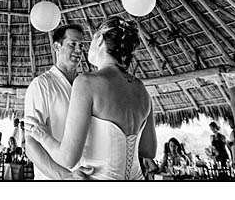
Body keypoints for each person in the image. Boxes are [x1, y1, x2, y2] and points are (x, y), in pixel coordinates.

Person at [27, 17, 158, 180]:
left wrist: (43, 136)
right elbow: (148, 150)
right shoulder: (141, 89)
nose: (81, 49)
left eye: (83, 44)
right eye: (73, 44)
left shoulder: (87, 82)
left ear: (100, 40)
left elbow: (67, 158)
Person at [24, 24, 94, 180]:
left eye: (81, 45)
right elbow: (30, 144)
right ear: (57, 46)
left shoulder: (86, 85)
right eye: (72, 44)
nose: (78, 50)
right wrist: (65, 177)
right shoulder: (41, 85)